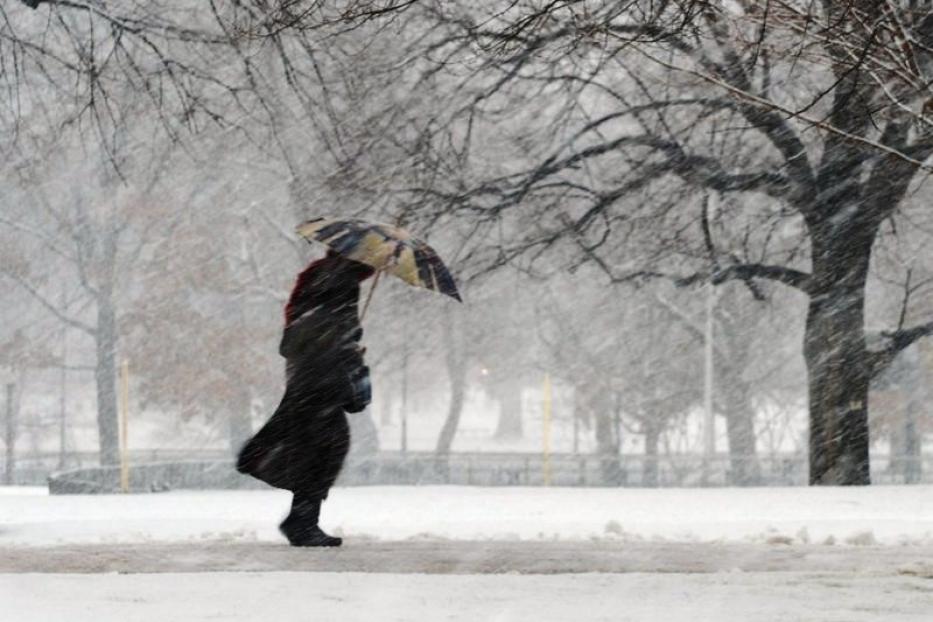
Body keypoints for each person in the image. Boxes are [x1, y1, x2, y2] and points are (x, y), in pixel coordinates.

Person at [237, 250, 374, 547]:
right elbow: (331, 327)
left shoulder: (321, 276)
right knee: (325, 450)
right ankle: (301, 522)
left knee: (317, 450)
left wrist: (345, 342)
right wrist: (347, 345)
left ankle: (301, 520)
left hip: (308, 378)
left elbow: (303, 331)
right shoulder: (342, 281)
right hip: (321, 379)